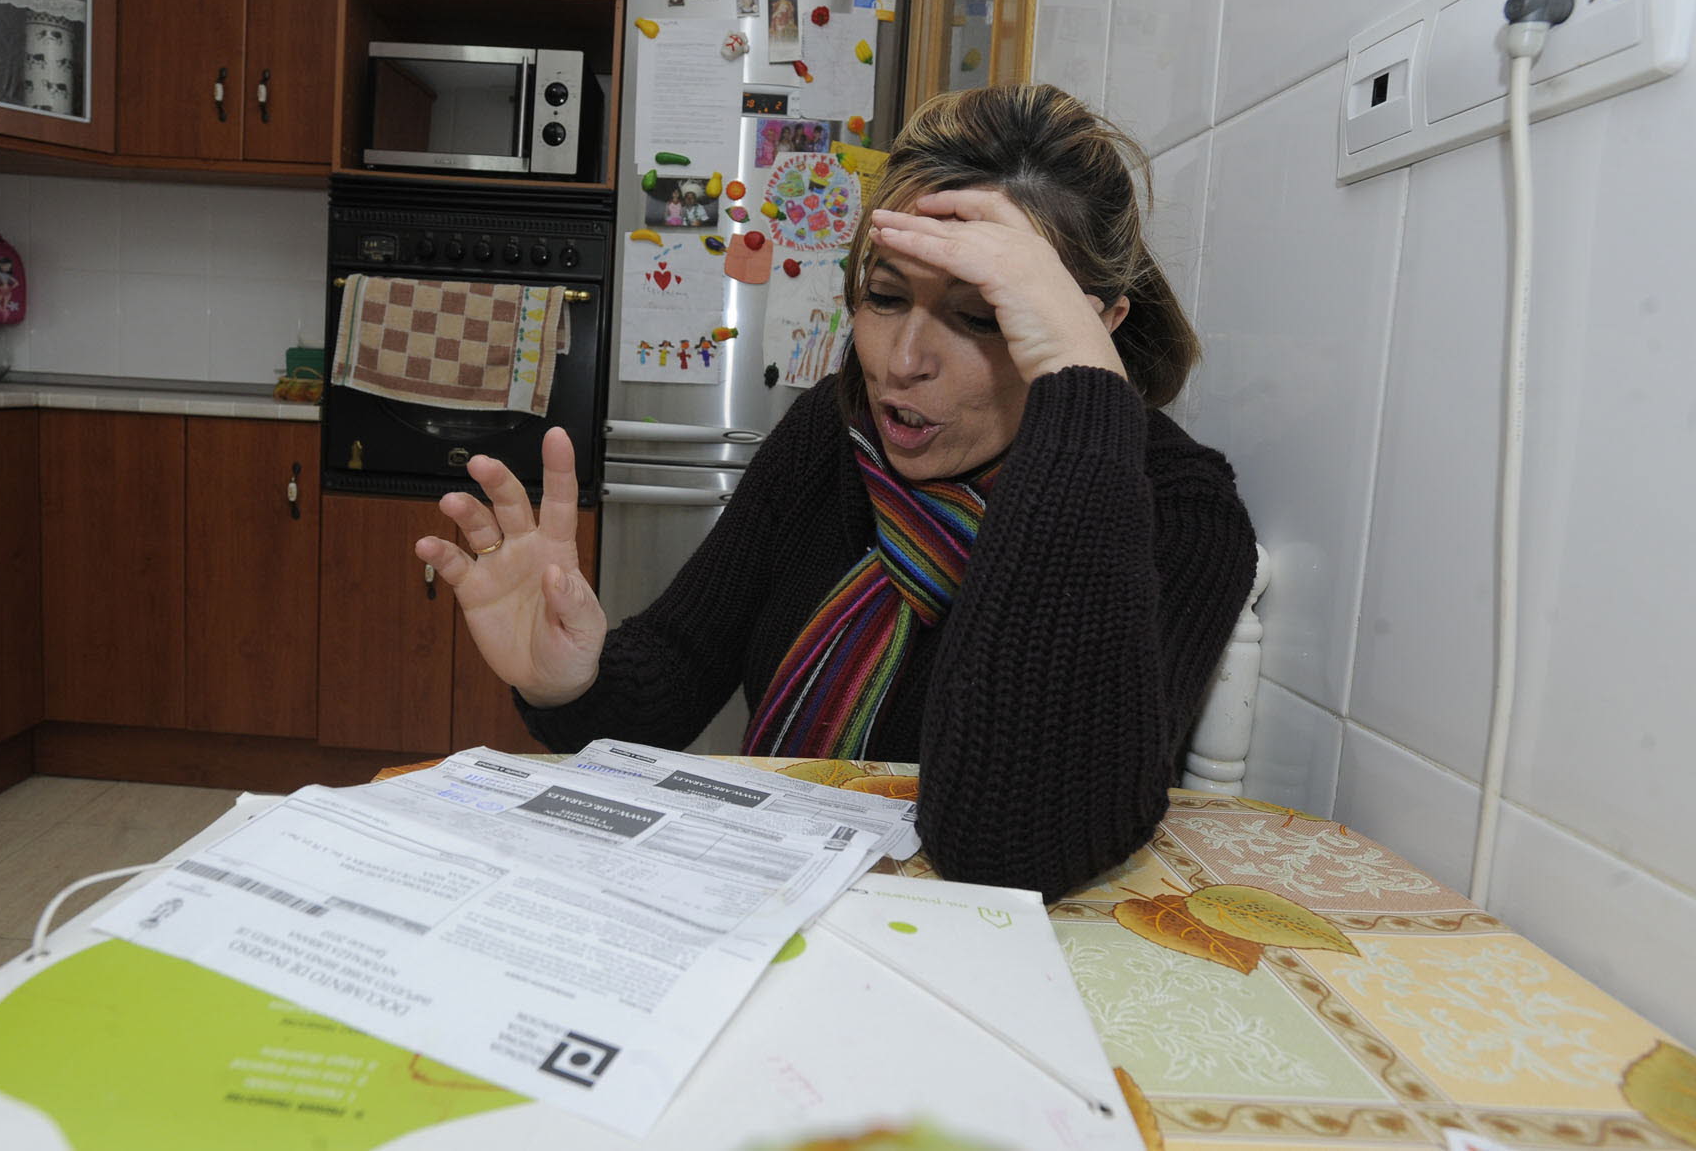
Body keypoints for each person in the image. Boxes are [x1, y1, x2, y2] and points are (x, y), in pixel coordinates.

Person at [412, 84, 1258, 899]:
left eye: (982, 316)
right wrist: (572, 677)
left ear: (1092, 327)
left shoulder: (1175, 511)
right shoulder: (835, 429)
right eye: (884, 297)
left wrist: (1080, 398)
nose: (901, 360)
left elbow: (1015, 843)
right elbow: (680, 666)